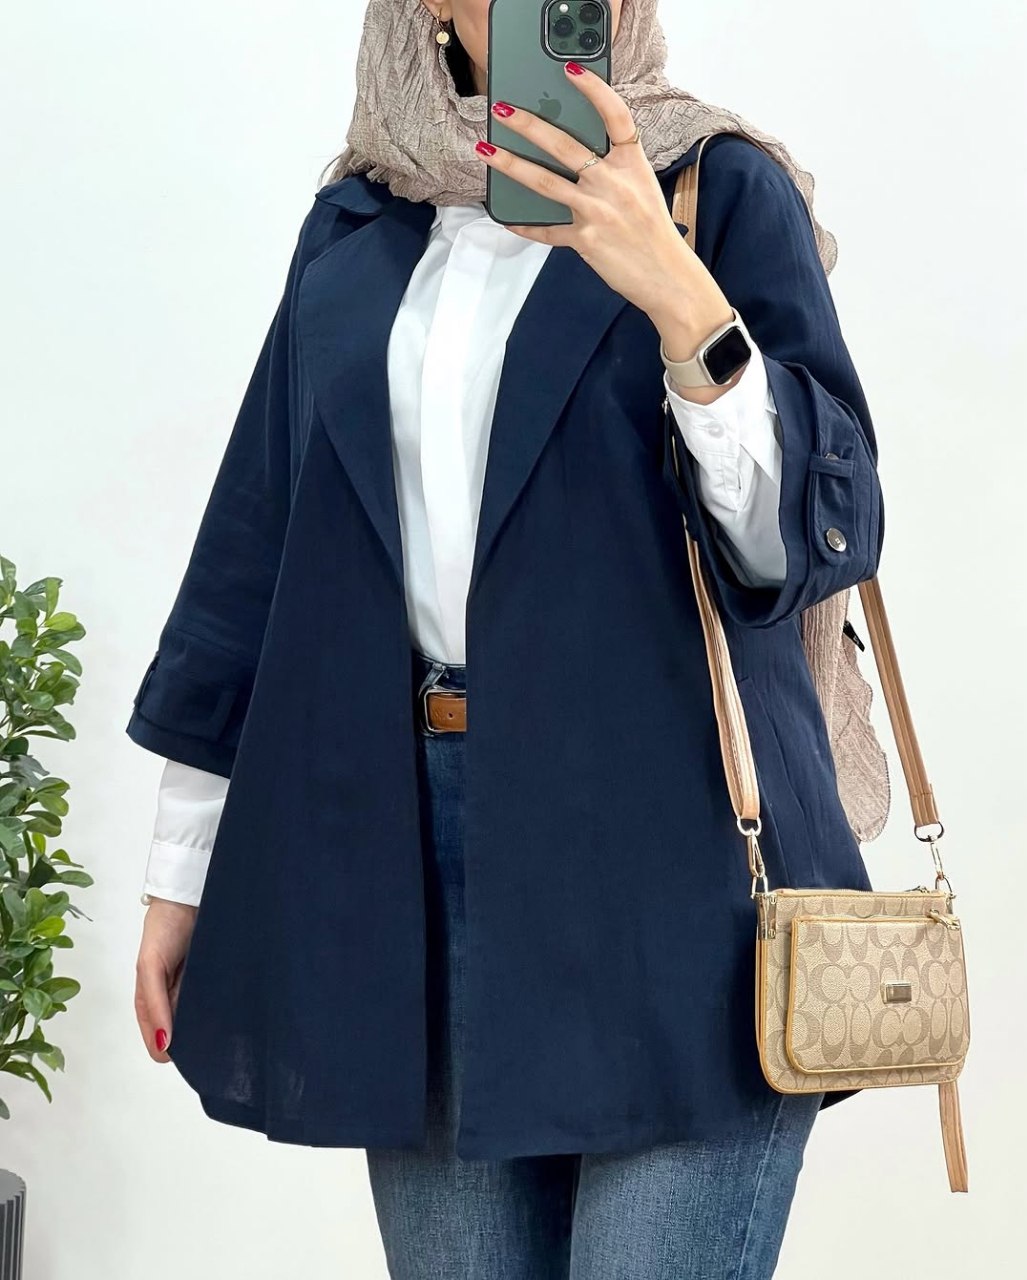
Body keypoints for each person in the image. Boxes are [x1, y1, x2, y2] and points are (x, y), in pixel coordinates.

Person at [129, 1, 883, 1276]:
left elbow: (809, 538)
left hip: (676, 875)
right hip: (411, 880)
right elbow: (257, 548)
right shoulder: (361, 221)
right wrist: (179, 868)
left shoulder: (712, 188)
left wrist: (675, 292)